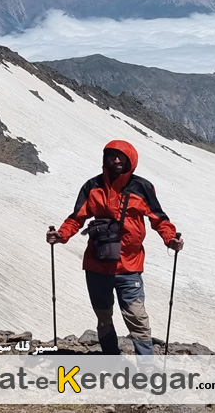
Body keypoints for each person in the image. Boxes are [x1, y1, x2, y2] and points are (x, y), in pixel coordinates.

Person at [46, 140, 183, 355]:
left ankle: (146, 370)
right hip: (97, 265)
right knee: (104, 318)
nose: (116, 160)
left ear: (131, 160)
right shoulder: (92, 187)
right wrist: (61, 234)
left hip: (129, 267)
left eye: (121, 156)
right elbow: (76, 218)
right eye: (111, 156)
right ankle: (111, 359)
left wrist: (171, 238)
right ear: (105, 159)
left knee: (137, 319)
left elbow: (159, 219)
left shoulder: (142, 188)